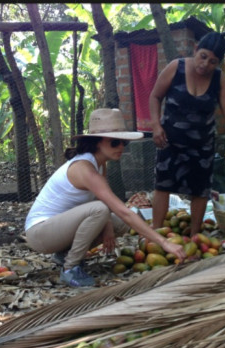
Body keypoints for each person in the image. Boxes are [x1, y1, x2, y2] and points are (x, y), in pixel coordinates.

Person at [25, 108, 186, 287]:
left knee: (119, 223)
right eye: (115, 142)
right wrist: (164, 243)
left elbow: (103, 200)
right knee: (104, 212)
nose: (121, 148)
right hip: (40, 233)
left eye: (124, 143)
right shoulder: (85, 168)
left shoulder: (99, 164)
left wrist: (108, 225)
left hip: (58, 228)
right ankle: (70, 268)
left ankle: (64, 254)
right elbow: (117, 209)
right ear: (97, 142)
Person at [149, 31, 225, 236]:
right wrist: (156, 126)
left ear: (218, 63)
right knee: (163, 185)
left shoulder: (218, 78)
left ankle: (194, 236)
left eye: (212, 61)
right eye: (203, 56)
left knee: (200, 190)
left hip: (202, 146)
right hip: (170, 142)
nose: (205, 64)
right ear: (196, 50)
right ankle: (155, 233)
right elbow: (155, 96)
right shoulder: (176, 67)